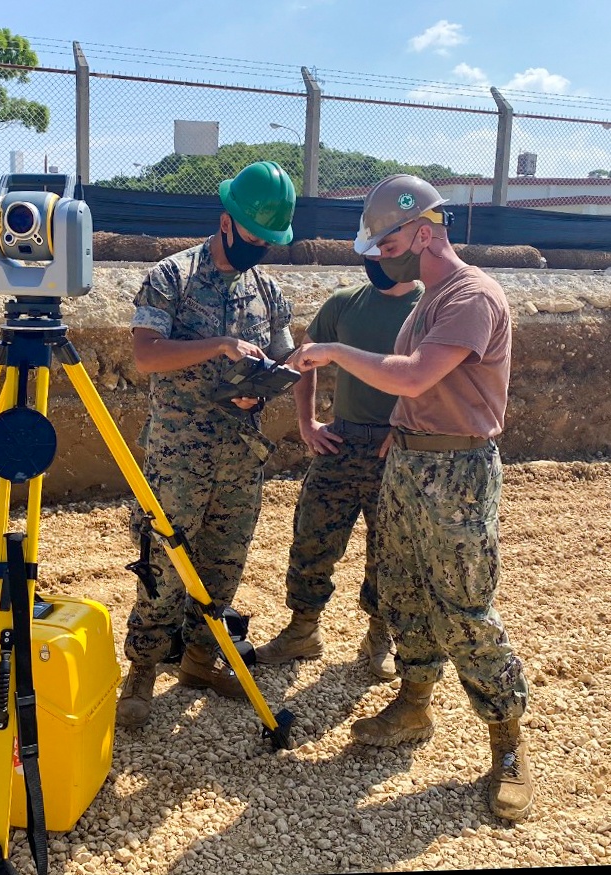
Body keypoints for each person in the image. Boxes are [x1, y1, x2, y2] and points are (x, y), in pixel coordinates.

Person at [287, 174, 533, 822]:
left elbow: (418, 374)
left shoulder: (471, 296)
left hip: (456, 474)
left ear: (423, 233)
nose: (380, 257)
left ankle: (507, 743)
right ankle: (413, 703)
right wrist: (401, 431)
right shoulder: (431, 299)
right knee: (403, 589)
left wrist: (333, 351)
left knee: (465, 608)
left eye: (388, 244)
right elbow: (420, 391)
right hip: (409, 462)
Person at [117, 160, 297, 728]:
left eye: (268, 241)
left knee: (223, 563)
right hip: (179, 454)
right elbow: (146, 354)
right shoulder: (171, 277)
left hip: (240, 456)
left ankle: (200, 658)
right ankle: (142, 668)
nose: (259, 248)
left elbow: (283, 357)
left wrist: (260, 388)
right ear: (225, 222)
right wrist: (219, 345)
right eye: (253, 236)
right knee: (163, 564)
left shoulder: (268, 291)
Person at [254, 265, 422, 680]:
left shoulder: (429, 307)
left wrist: (407, 427)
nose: (379, 259)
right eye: (374, 250)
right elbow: (303, 360)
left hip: (394, 450)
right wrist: (307, 424)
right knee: (312, 538)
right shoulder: (345, 302)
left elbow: (438, 375)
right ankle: (303, 630)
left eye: (388, 250)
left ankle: (379, 636)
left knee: (390, 552)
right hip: (341, 442)